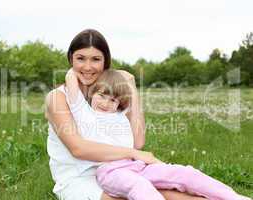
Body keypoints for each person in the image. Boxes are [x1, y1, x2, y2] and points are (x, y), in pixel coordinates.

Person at [45, 28, 209, 200]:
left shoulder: (110, 99)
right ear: (71, 58)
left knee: (174, 190)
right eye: (80, 58)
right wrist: (134, 155)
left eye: (95, 59)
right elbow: (78, 149)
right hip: (79, 180)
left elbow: (137, 142)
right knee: (148, 195)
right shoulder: (57, 97)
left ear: (105, 62)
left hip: (117, 171)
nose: (87, 66)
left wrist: (131, 88)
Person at [64, 68, 251, 200]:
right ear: (91, 94)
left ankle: (235, 197)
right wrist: (99, 68)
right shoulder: (84, 114)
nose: (106, 103)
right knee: (141, 187)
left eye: (112, 99)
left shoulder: (119, 114)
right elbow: (71, 75)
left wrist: (129, 83)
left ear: (118, 103)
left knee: (185, 173)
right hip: (110, 172)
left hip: (138, 166)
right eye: (101, 95)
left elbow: (133, 111)